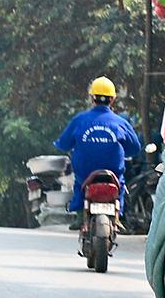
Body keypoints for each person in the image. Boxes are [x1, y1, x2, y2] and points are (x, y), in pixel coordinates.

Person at [54, 77, 143, 230]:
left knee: (79, 184)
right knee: (119, 185)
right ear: (113, 99)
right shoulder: (121, 122)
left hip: (85, 173)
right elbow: (135, 148)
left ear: (92, 98)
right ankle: (117, 216)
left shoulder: (79, 120)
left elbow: (63, 144)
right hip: (113, 173)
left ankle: (81, 216)